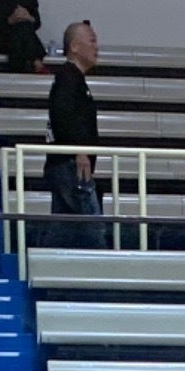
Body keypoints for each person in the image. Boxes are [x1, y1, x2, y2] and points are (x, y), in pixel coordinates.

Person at [44, 21, 108, 252]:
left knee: (62, 232)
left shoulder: (71, 78)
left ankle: (48, 265)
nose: (96, 47)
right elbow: (62, 114)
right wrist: (80, 151)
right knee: (93, 230)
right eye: (92, 40)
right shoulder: (68, 78)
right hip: (71, 166)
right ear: (75, 46)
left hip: (65, 164)